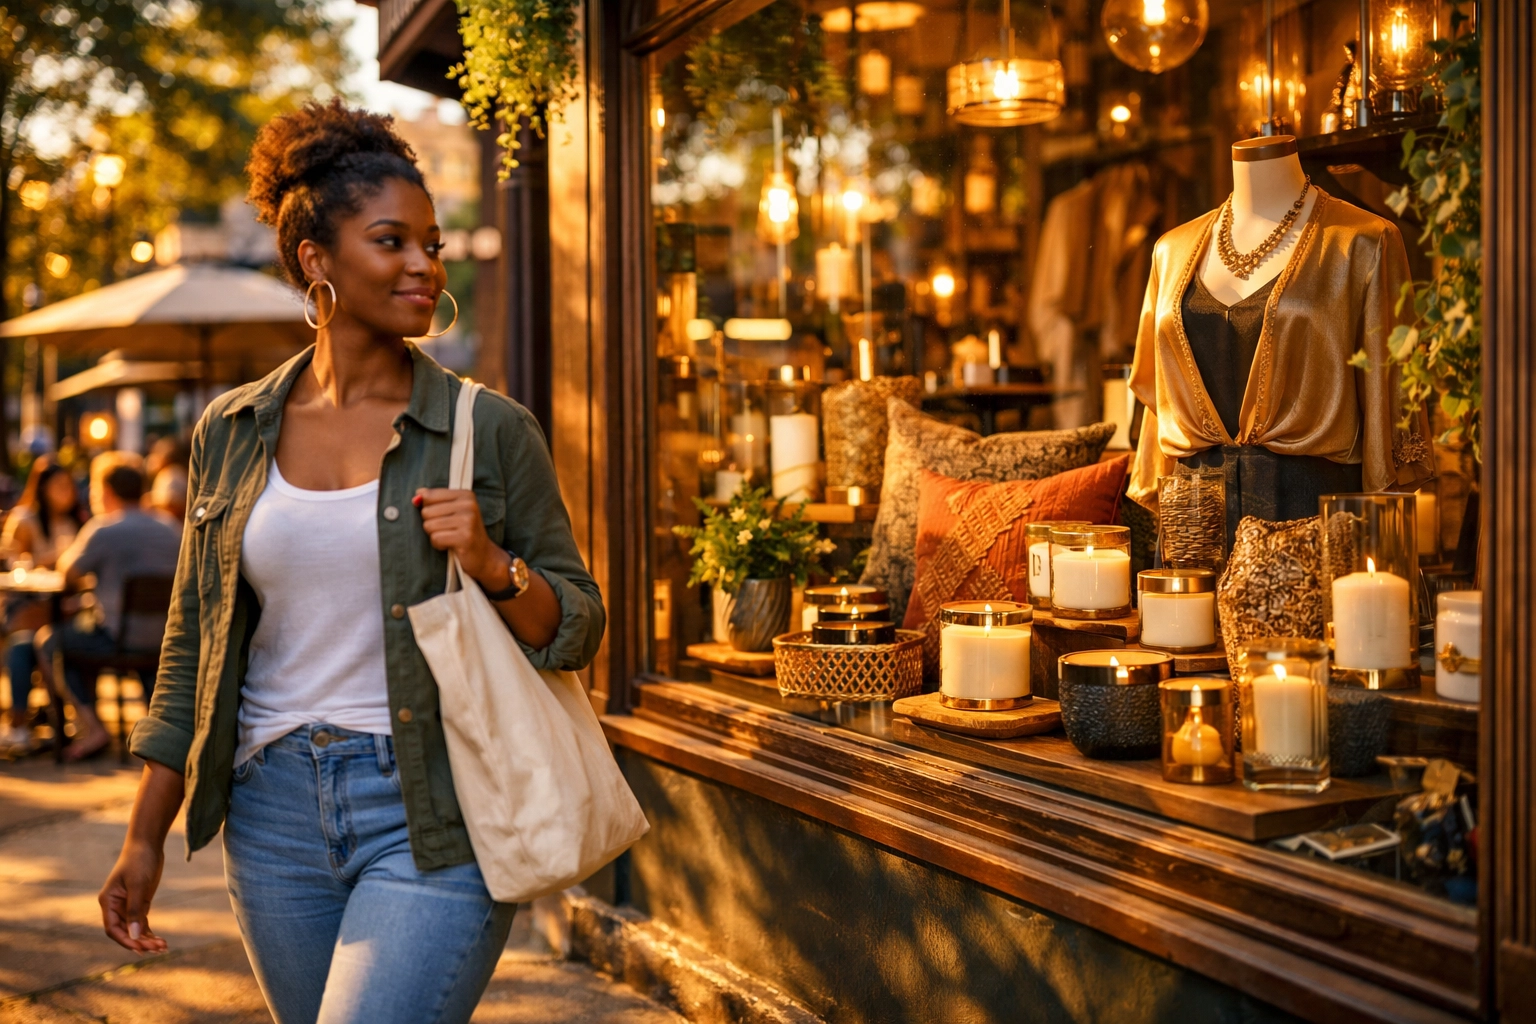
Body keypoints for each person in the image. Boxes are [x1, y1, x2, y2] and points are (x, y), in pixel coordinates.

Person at [98, 101, 605, 1024]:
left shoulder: (488, 429)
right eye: (391, 241)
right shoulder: (231, 430)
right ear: (315, 260)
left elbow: (576, 627)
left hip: (435, 809)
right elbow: (192, 650)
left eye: (432, 245)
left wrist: (492, 561)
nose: (424, 265)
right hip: (271, 814)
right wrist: (144, 837)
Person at [35, 453, 181, 761]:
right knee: (86, 634)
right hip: (165, 640)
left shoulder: (104, 529)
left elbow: (67, 573)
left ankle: (94, 728)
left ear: (106, 491)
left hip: (118, 640)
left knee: (50, 641)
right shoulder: (171, 528)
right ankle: (157, 730)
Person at [0, 456, 86, 753]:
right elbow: (14, 568)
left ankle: (66, 721)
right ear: (42, 488)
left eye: (69, 486)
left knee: (36, 644)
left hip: (66, 608)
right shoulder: (25, 520)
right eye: (59, 486)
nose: (66, 492)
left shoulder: (78, 521)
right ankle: (19, 725)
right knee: (23, 645)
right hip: (27, 607)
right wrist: (48, 565)